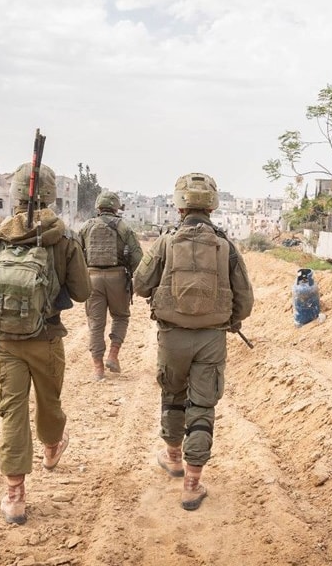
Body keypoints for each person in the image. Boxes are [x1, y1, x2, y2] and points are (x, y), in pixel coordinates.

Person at [0, 162, 91, 525]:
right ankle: (52, 445)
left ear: (14, 196)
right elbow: (83, 292)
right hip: (48, 338)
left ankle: (15, 496)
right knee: (49, 403)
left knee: (13, 414)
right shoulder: (66, 238)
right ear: (52, 195)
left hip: (6, 343)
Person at [132, 172, 254, 511]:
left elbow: (141, 285)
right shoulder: (225, 246)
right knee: (202, 406)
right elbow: (245, 298)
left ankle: (173, 458)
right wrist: (232, 321)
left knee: (172, 394)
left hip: (171, 336)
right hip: (212, 339)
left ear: (179, 204)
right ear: (212, 205)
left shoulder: (165, 243)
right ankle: (191, 485)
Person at [78, 190, 143, 380]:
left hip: (92, 278)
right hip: (117, 278)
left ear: (98, 207)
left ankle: (98, 368)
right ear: (116, 208)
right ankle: (113, 355)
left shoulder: (86, 227)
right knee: (121, 317)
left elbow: (76, 255)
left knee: (96, 324)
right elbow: (138, 257)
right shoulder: (124, 227)